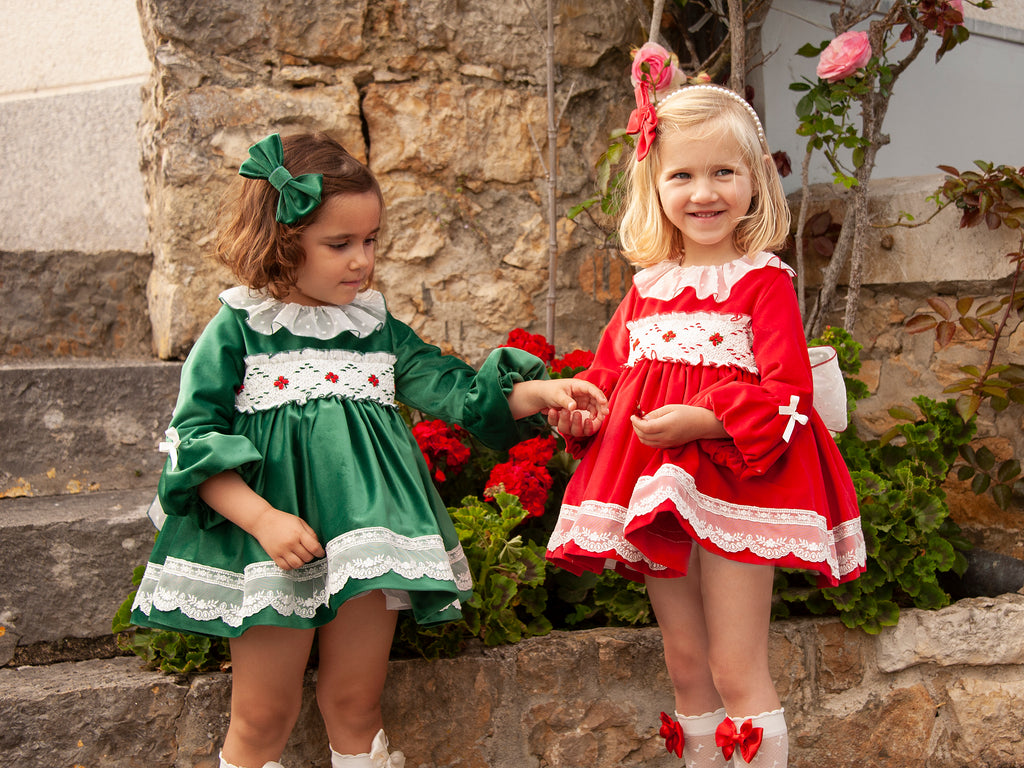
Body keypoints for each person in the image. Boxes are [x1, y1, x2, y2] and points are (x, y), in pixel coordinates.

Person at [130, 132, 607, 768]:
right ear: (282, 241)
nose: (362, 261)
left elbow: (452, 389)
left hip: (369, 539)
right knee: (263, 712)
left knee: (356, 701)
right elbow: (195, 444)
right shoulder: (239, 330)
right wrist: (263, 519)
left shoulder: (375, 328)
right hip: (268, 544)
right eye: (340, 244)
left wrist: (537, 391)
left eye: (371, 240)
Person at [545, 62, 866, 768]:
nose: (704, 192)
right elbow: (609, 374)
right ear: (655, 187)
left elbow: (789, 390)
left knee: (733, 664)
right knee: (686, 663)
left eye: (724, 172)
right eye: (683, 176)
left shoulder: (762, 283)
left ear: (755, 181)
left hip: (738, 480)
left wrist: (704, 419)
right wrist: (582, 409)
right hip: (656, 483)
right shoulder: (648, 287)